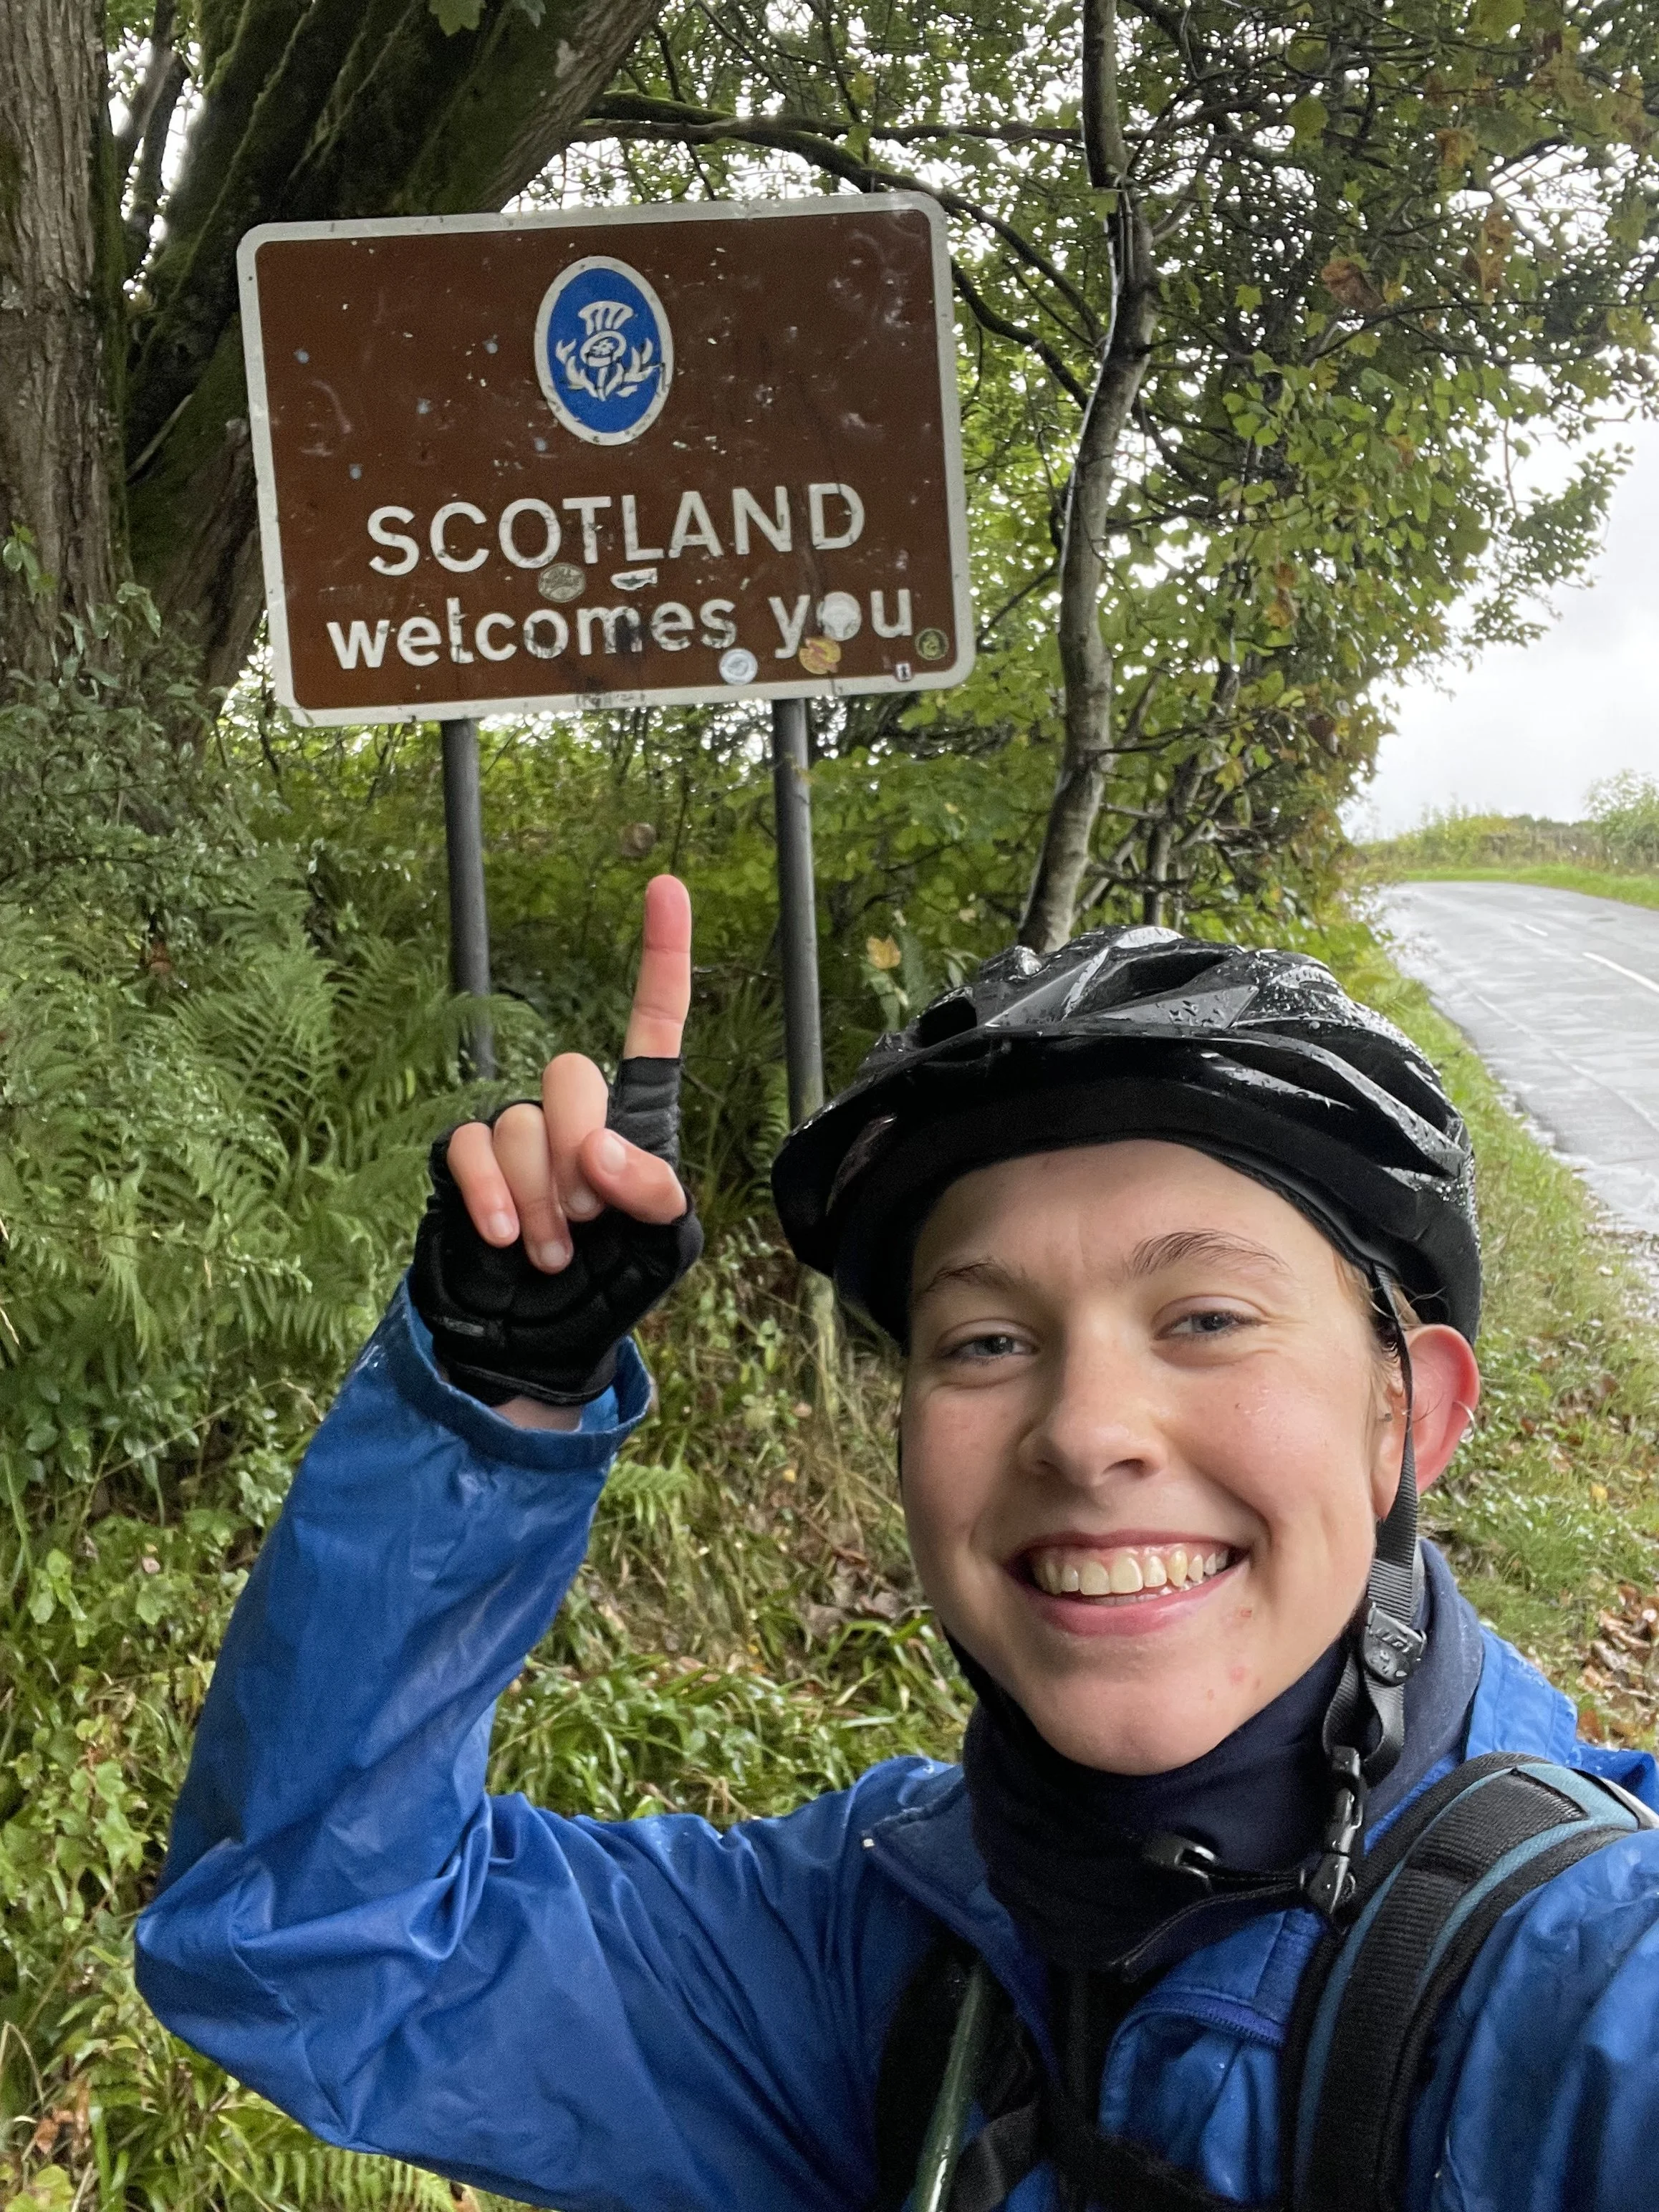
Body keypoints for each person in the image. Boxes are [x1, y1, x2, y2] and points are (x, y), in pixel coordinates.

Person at [136, 877, 1659, 2212]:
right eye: (987, 1338)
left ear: (1413, 1412)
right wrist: (492, 1402)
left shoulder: (1586, 1980)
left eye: (1205, 1317)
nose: (1084, 1427)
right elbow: (317, 1941)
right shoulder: (885, 1943)